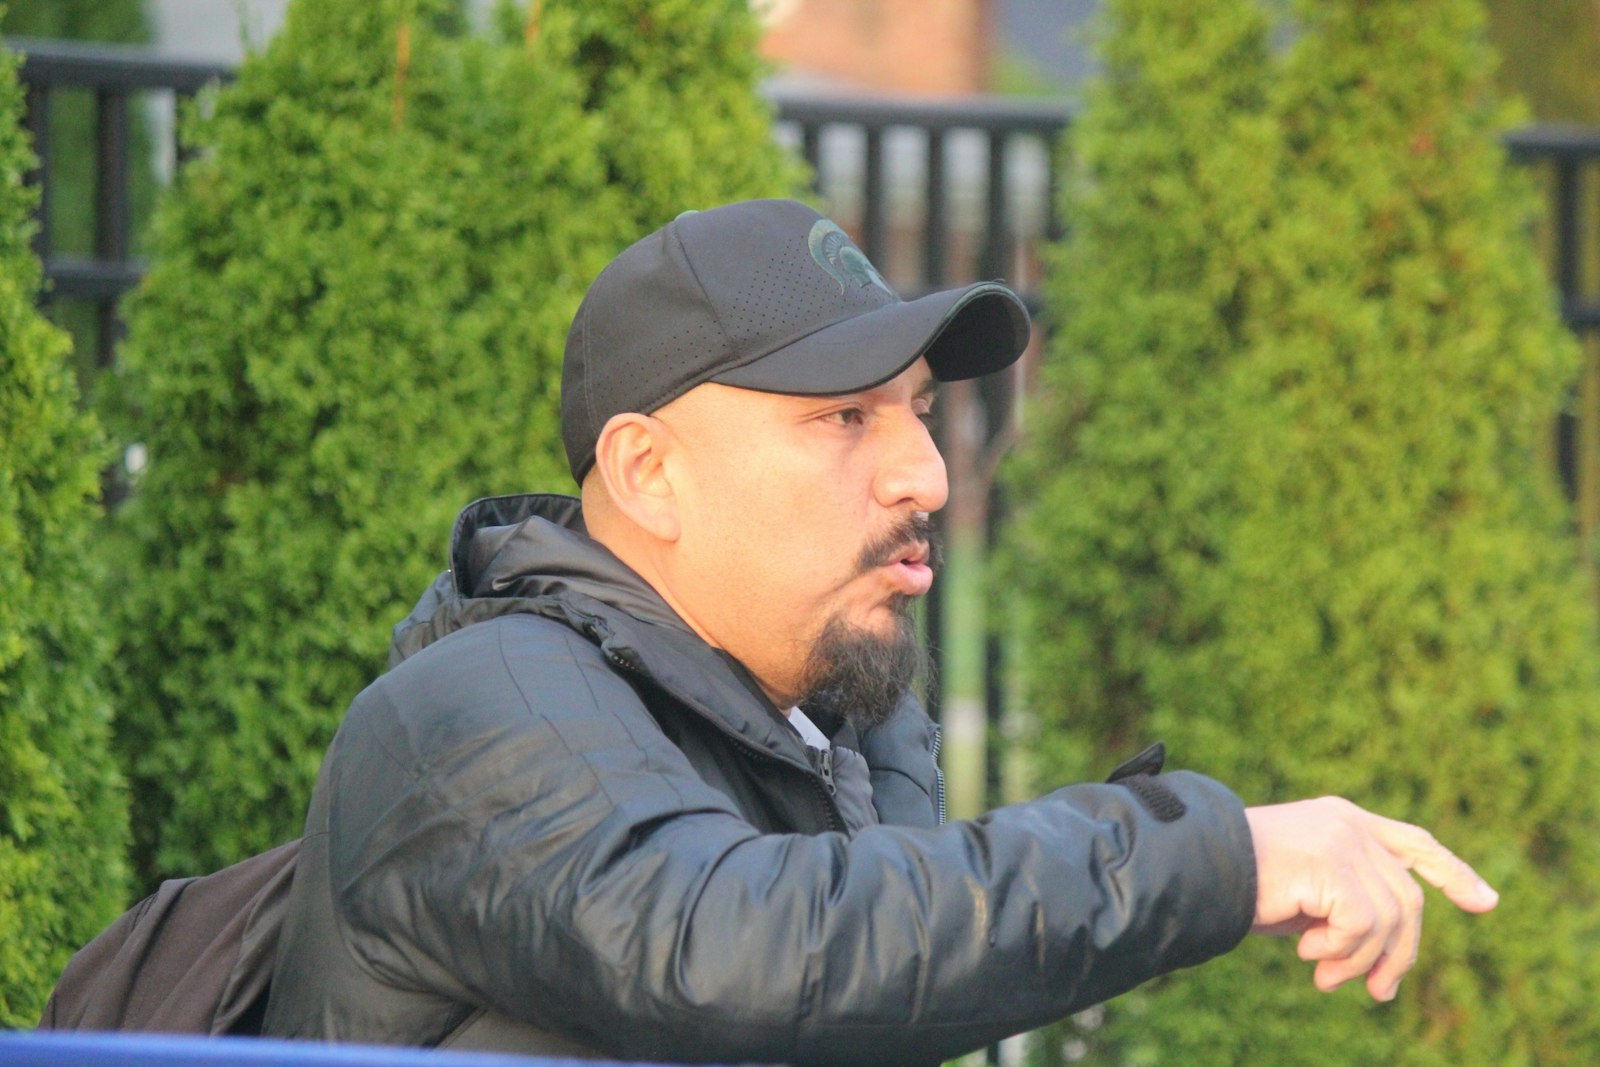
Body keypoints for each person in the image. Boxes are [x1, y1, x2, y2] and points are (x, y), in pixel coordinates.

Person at [260, 199, 1498, 1065]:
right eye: (844, 418)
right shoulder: (486, 704)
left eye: (914, 410)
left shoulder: (829, 725)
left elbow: (872, 969)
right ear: (647, 475)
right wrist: (1206, 852)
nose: (927, 474)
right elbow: (730, 943)